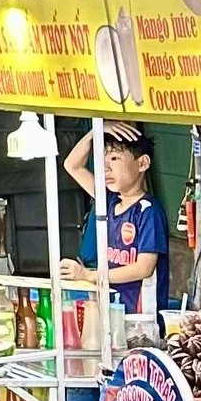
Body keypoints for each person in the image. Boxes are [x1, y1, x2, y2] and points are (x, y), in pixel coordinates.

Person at [61, 121, 169, 319]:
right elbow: (72, 165)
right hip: (111, 312)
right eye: (102, 160)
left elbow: (144, 268)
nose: (106, 168)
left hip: (140, 318)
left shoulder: (149, 212)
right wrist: (95, 132)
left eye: (114, 158)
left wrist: (89, 275)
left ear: (142, 163)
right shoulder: (108, 201)